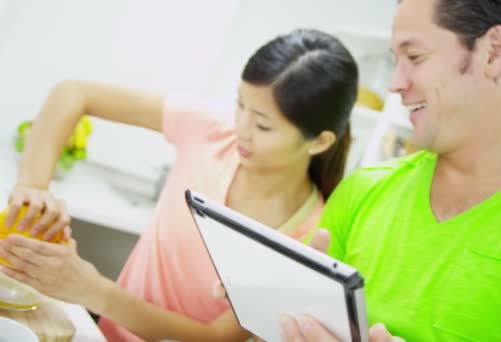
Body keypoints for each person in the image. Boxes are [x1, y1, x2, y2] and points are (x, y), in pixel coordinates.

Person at [0, 29, 358, 341]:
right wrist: (32, 185)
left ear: (319, 142)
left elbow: (216, 337)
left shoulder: (313, 234)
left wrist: (93, 290)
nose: (242, 129)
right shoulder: (212, 131)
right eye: (240, 105)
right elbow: (73, 92)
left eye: (263, 125)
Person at [280, 0, 501, 341]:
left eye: (415, 57)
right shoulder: (362, 192)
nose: (395, 83)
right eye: (396, 61)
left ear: (494, 53)